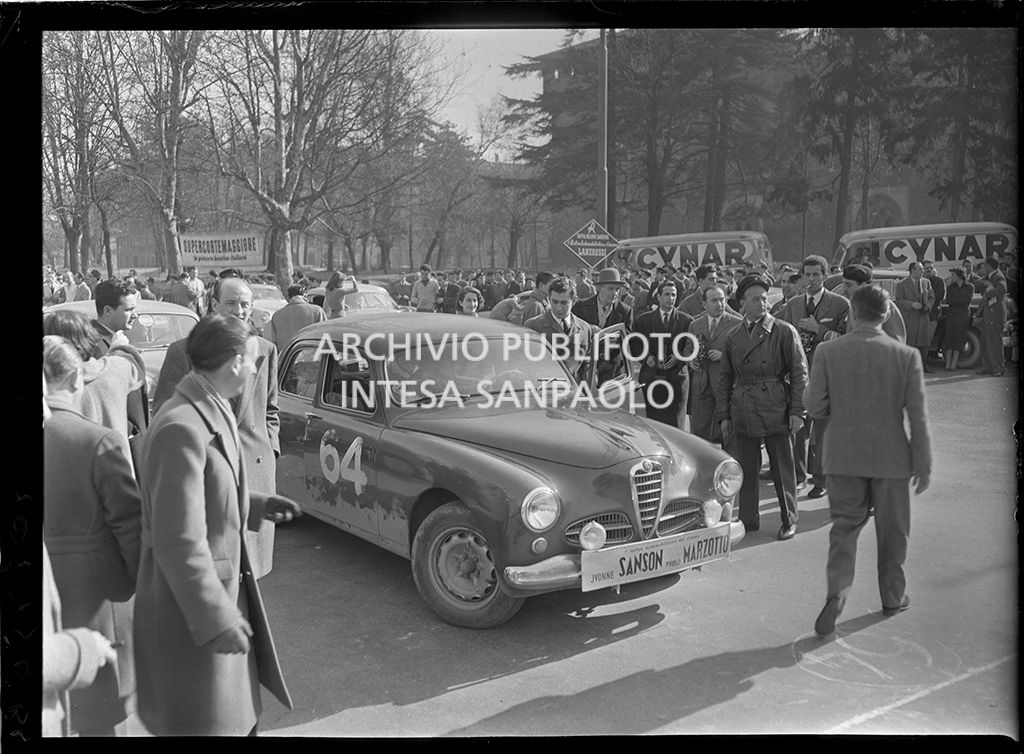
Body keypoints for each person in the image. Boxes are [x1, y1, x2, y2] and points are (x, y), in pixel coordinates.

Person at [134, 315, 299, 736]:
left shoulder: (208, 408)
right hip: (193, 619)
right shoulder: (181, 427)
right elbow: (178, 540)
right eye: (251, 359)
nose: (255, 366)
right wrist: (215, 618)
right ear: (232, 362)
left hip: (215, 609)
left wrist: (254, 505)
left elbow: (208, 496)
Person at [805, 285, 931, 636]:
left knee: (844, 529)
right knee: (893, 533)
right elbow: (917, 418)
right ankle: (893, 596)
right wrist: (924, 464)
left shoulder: (828, 351)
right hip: (891, 460)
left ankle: (838, 595)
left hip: (842, 456)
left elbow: (814, 406)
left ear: (853, 314)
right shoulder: (906, 356)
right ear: (887, 313)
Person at [43, 336, 141, 736]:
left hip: (54, 610)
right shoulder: (99, 441)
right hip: (100, 603)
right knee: (102, 723)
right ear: (76, 379)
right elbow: (130, 528)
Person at [153, 277, 281, 579]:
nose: (240, 310)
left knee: (251, 571)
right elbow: (164, 413)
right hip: (205, 473)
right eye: (231, 303)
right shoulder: (183, 352)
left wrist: (270, 448)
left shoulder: (266, 350)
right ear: (213, 306)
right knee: (213, 571)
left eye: (245, 304)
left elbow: (272, 409)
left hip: (255, 470)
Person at [714, 274, 807, 540]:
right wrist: (724, 416)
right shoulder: (733, 337)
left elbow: (800, 374)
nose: (762, 304)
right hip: (743, 405)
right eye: (755, 299)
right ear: (742, 303)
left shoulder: (784, 331)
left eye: (765, 298)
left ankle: (790, 519)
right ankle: (748, 519)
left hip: (776, 403)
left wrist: (797, 411)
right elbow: (724, 380)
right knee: (746, 466)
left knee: (783, 467)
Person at [777, 255, 850, 499]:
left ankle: (821, 480)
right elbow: (782, 337)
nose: (811, 280)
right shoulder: (794, 304)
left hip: (826, 376)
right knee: (797, 428)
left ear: (826, 276)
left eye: (816, 275)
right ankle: (798, 477)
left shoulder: (840, 304)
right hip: (797, 376)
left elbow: (846, 340)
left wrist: (818, 329)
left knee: (822, 432)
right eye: (807, 275)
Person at [43, 310, 146, 446]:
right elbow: (130, 363)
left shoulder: (49, 383)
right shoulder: (115, 369)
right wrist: (119, 346)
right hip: (114, 457)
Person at [627, 281, 694, 428]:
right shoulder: (643, 320)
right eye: (666, 294)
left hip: (677, 379)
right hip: (652, 377)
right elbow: (635, 344)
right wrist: (646, 357)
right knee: (655, 424)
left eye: (673, 295)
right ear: (658, 297)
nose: (670, 298)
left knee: (676, 423)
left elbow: (691, 346)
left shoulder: (686, 321)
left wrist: (679, 357)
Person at [687, 284, 742, 444]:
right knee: (700, 431)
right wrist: (691, 360)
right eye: (714, 301)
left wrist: (724, 356)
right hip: (701, 384)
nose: (719, 304)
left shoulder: (737, 323)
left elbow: (744, 354)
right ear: (704, 304)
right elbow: (688, 349)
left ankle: (729, 465)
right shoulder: (695, 324)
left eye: (722, 300)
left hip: (725, 386)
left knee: (727, 430)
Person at [525, 277, 596, 381]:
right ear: (549, 299)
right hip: (544, 391)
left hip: (575, 392)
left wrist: (589, 388)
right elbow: (525, 365)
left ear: (574, 300)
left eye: (564, 303)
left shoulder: (585, 328)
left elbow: (588, 365)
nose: (558, 308)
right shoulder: (533, 326)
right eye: (554, 302)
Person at [572, 268, 633, 386]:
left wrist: (616, 340)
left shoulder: (625, 310)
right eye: (611, 289)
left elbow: (628, 339)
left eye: (617, 289)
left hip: (611, 369)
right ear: (599, 288)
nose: (615, 293)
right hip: (584, 365)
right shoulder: (581, 306)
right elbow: (573, 332)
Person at [838, 265, 906, 343]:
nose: (844, 289)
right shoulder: (853, 306)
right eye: (843, 284)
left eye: (848, 285)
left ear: (863, 285)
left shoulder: (884, 305)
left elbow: (897, 342)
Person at [894, 261, 936, 374]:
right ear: (912, 270)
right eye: (920, 269)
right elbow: (898, 301)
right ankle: (910, 367)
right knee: (910, 343)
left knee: (924, 343)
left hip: (923, 317)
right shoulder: (901, 284)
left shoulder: (926, 282)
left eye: (922, 269)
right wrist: (911, 304)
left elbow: (932, 297)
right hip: (910, 318)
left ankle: (924, 365)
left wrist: (928, 307)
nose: (923, 271)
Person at [263, 285, 327, 353]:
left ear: (288, 296)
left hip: (287, 358)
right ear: (305, 295)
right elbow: (326, 335)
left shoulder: (277, 315)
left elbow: (273, 342)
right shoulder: (317, 311)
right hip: (312, 356)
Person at [974, 255, 1008, 376]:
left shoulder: (998, 276)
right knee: (986, 342)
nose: (983, 266)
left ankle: (998, 368)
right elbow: (977, 282)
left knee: (995, 343)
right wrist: (986, 282)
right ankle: (988, 367)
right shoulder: (990, 276)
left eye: (984, 264)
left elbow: (1002, 289)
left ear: (989, 265)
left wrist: (988, 292)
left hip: (995, 314)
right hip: (989, 314)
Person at [941, 267, 975, 371]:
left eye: (953, 275)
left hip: (963, 315)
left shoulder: (970, 287)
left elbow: (968, 301)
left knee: (959, 338)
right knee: (949, 337)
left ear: (960, 276)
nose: (951, 277)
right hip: (952, 315)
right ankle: (948, 362)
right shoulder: (950, 287)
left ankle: (954, 362)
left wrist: (956, 301)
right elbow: (949, 300)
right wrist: (959, 301)